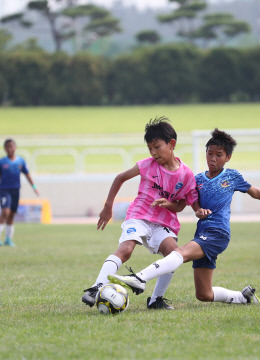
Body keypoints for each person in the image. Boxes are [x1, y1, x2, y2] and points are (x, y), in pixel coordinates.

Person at [109, 129, 260, 306]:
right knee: (204, 294)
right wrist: (196, 210)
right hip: (202, 233)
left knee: (178, 253)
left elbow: (254, 191)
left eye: (218, 155)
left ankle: (140, 278)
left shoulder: (232, 176)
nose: (212, 158)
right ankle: (243, 297)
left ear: (228, 158)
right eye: (209, 153)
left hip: (217, 233)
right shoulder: (198, 179)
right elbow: (190, 202)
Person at [81, 116, 200, 310]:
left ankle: (155, 300)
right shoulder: (147, 164)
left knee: (173, 255)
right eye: (150, 149)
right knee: (126, 249)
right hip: (139, 216)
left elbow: (180, 206)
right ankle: (96, 288)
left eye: (157, 147)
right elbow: (120, 178)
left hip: (163, 223)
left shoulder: (186, 175)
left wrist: (168, 203)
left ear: (172, 144)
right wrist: (108, 205)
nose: (153, 153)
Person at [0, 138, 39, 247]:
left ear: (15, 148)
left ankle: (8, 239)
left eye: (11, 146)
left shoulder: (20, 161)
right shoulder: (1, 162)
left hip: (15, 190)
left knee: (11, 215)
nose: (10, 148)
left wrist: (34, 187)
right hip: (4, 190)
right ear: (5, 149)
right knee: (5, 212)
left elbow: (27, 174)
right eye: (7, 147)